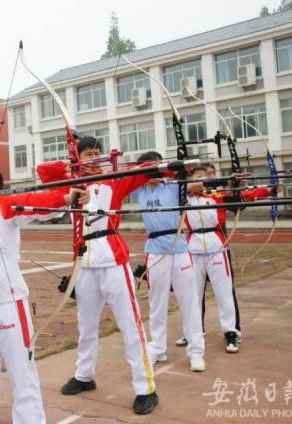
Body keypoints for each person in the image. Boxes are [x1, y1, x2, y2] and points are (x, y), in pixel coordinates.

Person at [0, 153, 88, 424]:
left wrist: (67, 197)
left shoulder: (5, 203)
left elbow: (36, 201)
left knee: (21, 370)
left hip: (7, 301)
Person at [36, 136, 159, 415]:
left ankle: (145, 388)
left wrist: (156, 164)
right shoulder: (71, 183)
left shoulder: (113, 179)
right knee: (86, 325)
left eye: (97, 153)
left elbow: (148, 168)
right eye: (88, 154)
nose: (93, 158)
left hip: (113, 259)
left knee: (130, 325)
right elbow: (43, 172)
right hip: (84, 262)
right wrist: (71, 166)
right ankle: (84, 375)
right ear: (77, 157)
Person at [181, 166, 278, 353]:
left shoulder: (217, 195)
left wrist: (268, 190)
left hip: (216, 247)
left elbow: (244, 196)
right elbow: (179, 188)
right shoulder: (183, 197)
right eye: (198, 177)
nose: (203, 180)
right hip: (193, 249)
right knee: (194, 294)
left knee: (224, 292)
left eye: (205, 177)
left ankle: (231, 332)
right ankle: (193, 332)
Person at [132, 151, 206, 372]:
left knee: (189, 301)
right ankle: (157, 348)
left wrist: (181, 169)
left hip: (179, 248)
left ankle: (196, 352)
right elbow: (125, 177)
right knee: (157, 302)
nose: (152, 173)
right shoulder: (139, 190)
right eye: (148, 168)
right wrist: (143, 172)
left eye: (155, 167)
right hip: (155, 251)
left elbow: (197, 183)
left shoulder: (174, 186)